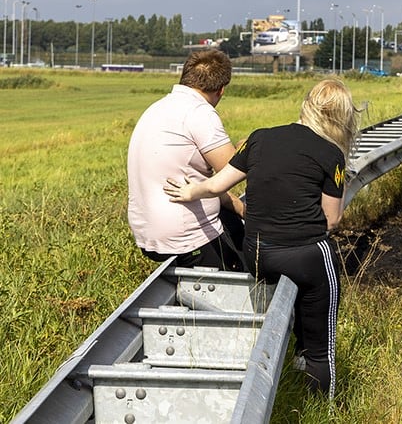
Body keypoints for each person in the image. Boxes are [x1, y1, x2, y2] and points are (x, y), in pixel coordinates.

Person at [163, 78, 360, 398]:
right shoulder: (331, 153)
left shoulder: (259, 138)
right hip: (303, 254)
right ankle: (321, 404)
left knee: (300, 284)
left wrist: (190, 190)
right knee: (323, 338)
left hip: (257, 253)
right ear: (341, 119)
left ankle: (294, 362)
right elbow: (332, 219)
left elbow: (216, 185)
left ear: (307, 103)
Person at [127, 49, 246, 271]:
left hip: (147, 230)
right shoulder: (200, 113)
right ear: (220, 90)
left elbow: (197, 180)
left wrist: (239, 207)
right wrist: (250, 145)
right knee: (243, 264)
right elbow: (233, 169)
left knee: (232, 221)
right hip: (184, 235)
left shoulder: (158, 107)